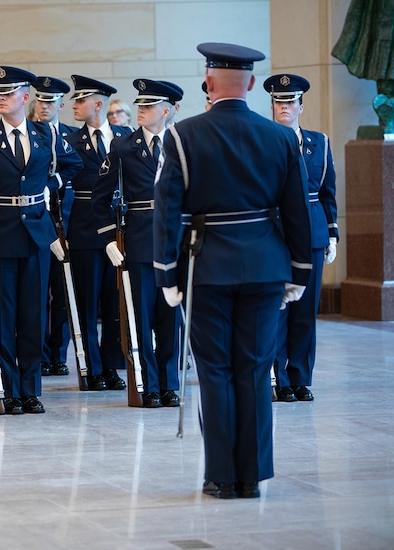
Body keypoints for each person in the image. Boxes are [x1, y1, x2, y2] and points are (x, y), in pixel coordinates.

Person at [153, 43, 311, 499]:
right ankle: (253, 477)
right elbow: (297, 211)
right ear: (253, 85)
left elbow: (168, 212)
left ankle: (221, 476)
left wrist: (167, 274)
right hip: (265, 266)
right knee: (256, 370)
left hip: (207, 269)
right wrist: (299, 271)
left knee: (216, 371)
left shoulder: (182, 136)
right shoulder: (281, 138)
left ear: (208, 82)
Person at [0, 66, 82, 414]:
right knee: (2, 315)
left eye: (9, 94)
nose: (1, 99)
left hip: (37, 234)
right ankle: (7, 389)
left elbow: (73, 165)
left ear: (25, 98)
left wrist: (50, 185)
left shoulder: (44, 136)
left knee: (33, 315)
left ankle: (30, 389)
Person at [94, 78, 183, 407]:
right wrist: (108, 238)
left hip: (173, 242)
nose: (142, 110)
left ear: (168, 110)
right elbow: (100, 199)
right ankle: (146, 383)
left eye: (149, 106)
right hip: (138, 241)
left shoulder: (181, 143)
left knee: (170, 317)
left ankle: (169, 383)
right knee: (140, 318)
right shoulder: (122, 147)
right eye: (140, 105)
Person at [264, 73, 339, 402]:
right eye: (279, 102)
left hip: (312, 232)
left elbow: (327, 192)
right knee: (278, 308)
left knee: (305, 310)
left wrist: (332, 234)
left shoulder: (318, 142)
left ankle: (299, 377)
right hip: (276, 233)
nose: (285, 107)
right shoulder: (263, 141)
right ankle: (278, 378)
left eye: (290, 102)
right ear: (272, 106)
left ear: (301, 106)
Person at [66, 75, 132, 392]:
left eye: (80, 100)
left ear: (98, 104)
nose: (75, 105)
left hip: (119, 232)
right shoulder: (70, 142)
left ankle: (110, 366)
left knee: (114, 301)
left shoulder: (125, 137)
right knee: (88, 304)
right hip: (84, 231)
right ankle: (91, 368)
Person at [31, 76, 77, 378]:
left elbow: (75, 169)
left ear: (61, 104)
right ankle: (40, 355)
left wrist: (54, 182)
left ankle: (59, 353)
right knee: (36, 292)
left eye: (50, 101)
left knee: (62, 294)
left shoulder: (71, 137)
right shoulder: (27, 133)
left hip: (67, 222)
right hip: (35, 224)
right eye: (40, 100)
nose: (44, 106)